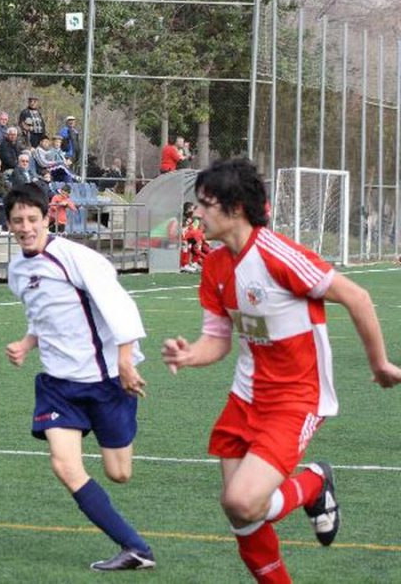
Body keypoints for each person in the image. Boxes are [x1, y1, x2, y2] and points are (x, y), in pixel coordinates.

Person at [160, 158, 401, 583]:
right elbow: (217, 339)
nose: (196, 212)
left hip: (297, 398)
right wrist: (189, 354)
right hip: (245, 396)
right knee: (240, 514)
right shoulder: (214, 266)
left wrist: (379, 364)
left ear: (235, 208)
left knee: (243, 501)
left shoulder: (277, 255)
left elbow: (358, 297)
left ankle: (313, 483)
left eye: (205, 204)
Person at [2, 183, 154, 572]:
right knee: (64, 465)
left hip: (104, 380)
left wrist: (126, 360)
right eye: (18, 220)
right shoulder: (17, 270)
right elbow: (42, 314)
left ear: (47, 218)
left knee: (119, 473)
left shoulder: (75, 258)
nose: (25, 227)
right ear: (9, 224)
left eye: (32, 219)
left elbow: (118, 305)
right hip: (58, 385)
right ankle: (135, 548)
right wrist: (26, 343)